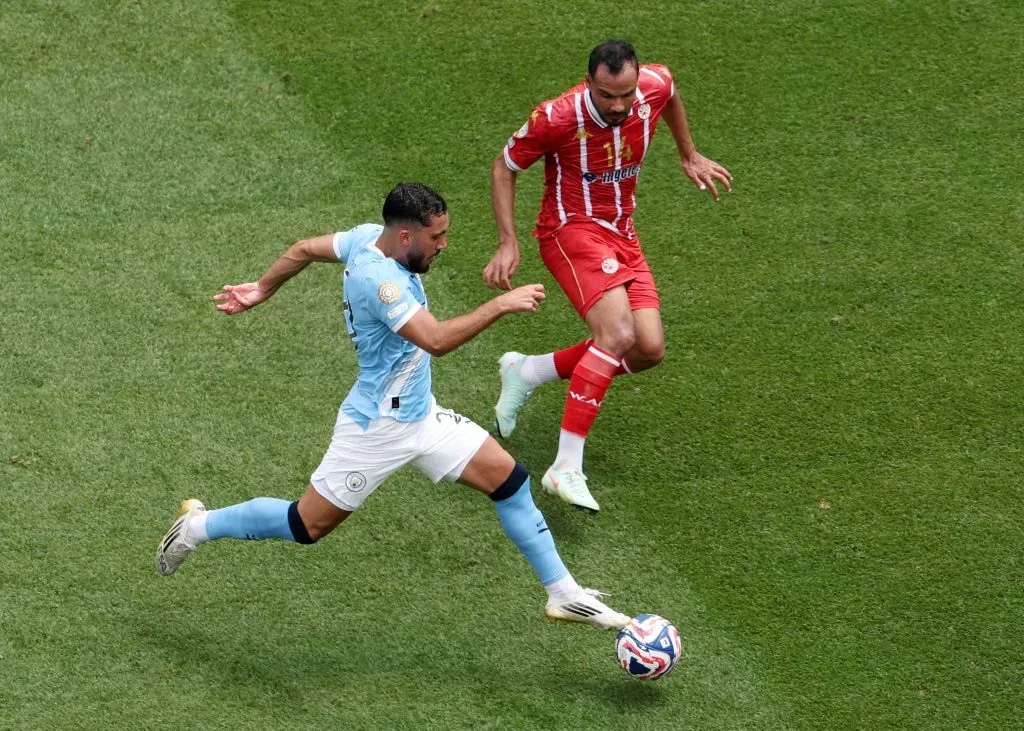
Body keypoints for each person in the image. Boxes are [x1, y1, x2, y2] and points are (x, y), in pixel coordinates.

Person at [156, 183, 630, 630]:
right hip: (377, 426)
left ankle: (562, 593)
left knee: (509, 482)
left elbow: (303, 248)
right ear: (405, 235)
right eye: (436, 236)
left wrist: (262, 288)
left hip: (420, 416)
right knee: (306, 525)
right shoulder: (380, 282)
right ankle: (198, 526)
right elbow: (437, 340)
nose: (443, 244)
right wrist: (500, 306)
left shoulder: (368, 238)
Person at [483, 40, 733, 513]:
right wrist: (507, 241)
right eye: (606, 95)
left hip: (623, 233)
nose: (618, 106)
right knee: (617, 333)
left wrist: (689, 153)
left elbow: (671, 87)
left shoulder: (652, 86)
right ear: (589, 82)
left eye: (625, 94)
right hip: (569, 230)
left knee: (647, 348)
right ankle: (565, 467)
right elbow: (505, 166)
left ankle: (528, 370)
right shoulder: (556, 117)